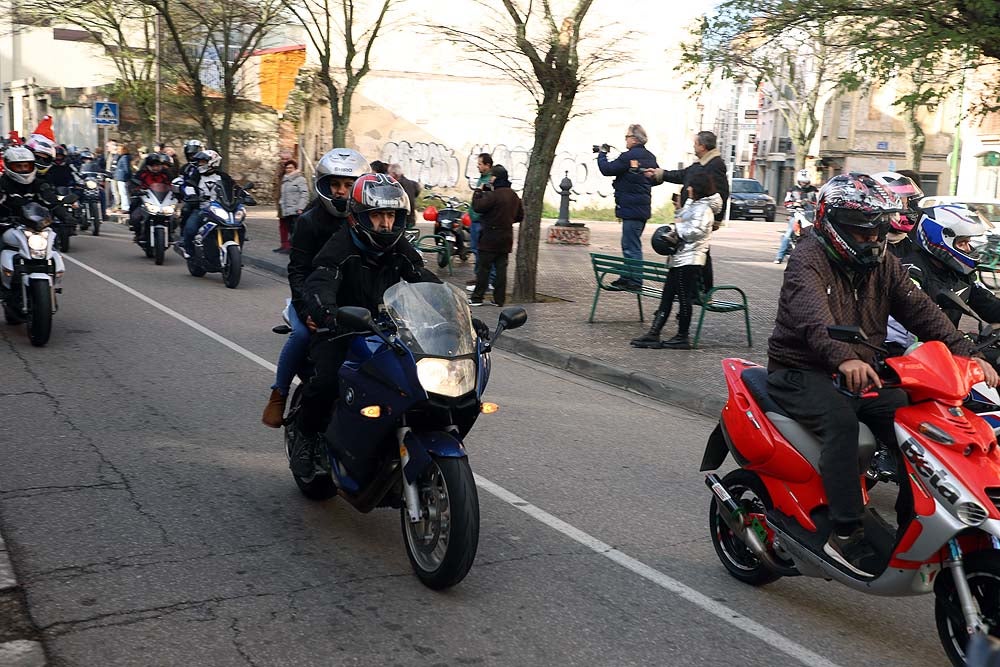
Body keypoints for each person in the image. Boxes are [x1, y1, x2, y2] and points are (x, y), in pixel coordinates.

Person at [766, 173, 998, 577]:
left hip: (865, 372)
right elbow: (812, 319)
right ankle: (846, 532)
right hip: (801, 369)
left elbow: (923, 312)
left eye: (878, 228)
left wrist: (969, 358)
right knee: (842, 425)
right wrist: (843, 358)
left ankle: (917, 522)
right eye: (861, 229)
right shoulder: (808, 258)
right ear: (832, 223)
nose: (872, 237)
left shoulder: (883, 264)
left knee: (920, 422)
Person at [289, 173, 441, 476]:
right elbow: (320, 281)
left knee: (414, 380)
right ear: (359, 217)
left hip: (386, 328)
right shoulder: (341, 246)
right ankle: (305, 438)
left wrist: (457, 314)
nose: (385, 223)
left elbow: (422, 278)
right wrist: (328, 314)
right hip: (343, 328)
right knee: (326, 382)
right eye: (377, 215)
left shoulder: (398, 247)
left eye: (391, 215)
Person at [260, 148, 369, 428]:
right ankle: (279, 393)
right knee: (299, 335)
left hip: (353, 297)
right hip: (311, 296)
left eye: (348, 185)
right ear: (323, 184)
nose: (341, 191)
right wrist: (308, 309)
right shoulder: (309, 221)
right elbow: (297, 270)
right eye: (335, 184)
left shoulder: (367, 218)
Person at [886, 205, 999, 357]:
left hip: (950, 347)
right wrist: (961, 342)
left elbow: (986, 303)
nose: (968, 249)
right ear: (939, 241)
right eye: (962, 243)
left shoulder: (961, 272)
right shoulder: (910, 272)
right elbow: (915, 323)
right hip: (913, 354)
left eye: (968, 242)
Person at [631, 171, 721, 349]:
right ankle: (654, 333)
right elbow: (682, 220)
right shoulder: (693, 204)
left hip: (691, 259)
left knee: (684, 298)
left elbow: (696, 232)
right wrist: (678, 215)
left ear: (698, 188)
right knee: (667, 296)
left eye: (691, 186)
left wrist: (677, 230)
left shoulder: (704, 209)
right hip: (679, 256)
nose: (688, 188)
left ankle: (682, 336)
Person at [645, 130, 729, 289]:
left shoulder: (715, 165)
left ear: (703, 146)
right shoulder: (701, 163)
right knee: (690, 254)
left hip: (700, 218)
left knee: (701, 255)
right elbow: (682, 175)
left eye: (695, 144)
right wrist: (659, 173)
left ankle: (702, 290)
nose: (693, 146)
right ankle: (692, 289)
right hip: (688, 215)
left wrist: (717, 220)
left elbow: (722, 192)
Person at [597, 124, 658, 289]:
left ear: (635, 139)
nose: (625, 139)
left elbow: (607, 169)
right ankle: (627, 276)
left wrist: (602, 154)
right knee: (629, 244)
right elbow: (656, 179)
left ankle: (635, 281)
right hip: (641, 208)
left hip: (631, 209)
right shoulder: (650, 156)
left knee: (632, 246)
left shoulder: (628, 156)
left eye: (627, 136)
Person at [469, 164, 523, 308]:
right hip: (506, 238)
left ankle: (477, 298)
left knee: (483, 268)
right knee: (501, 270)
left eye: (492, 176)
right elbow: (520, 215)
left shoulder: (494, 195)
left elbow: (477, 207)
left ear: (496, 178)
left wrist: (478, 192)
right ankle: (499, 299)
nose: (490, 179)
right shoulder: (513, 195)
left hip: (489, 238)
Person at [178, 149, 234, 257]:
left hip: (221, 208)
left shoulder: (223, 176)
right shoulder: (197, 175)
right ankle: (189, 250)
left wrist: (245, 195)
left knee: (235, 225)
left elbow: (234, 187)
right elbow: (190, 185)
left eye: (203, 161)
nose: (200, 164)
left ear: (213, 162)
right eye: (199, 162)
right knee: (190, 228)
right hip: (202, 208)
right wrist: (191, 195)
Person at [871, 171, 924, 259]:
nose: (905, 209)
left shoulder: (912, 243)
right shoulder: (870, 244)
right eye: (899, 203)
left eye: (905, 203)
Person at [774, 169, 819, 264]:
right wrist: (794, 203)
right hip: (796, 214)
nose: (804, 184)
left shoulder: (814, 190)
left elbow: (818, 202)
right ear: (798, 181)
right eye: (802, 182)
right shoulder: (792, 190)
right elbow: (786, 202)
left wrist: (809, 203)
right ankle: (779, 256)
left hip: (809, 214)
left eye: (806, 182)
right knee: (788, 234)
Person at [128, 152, 173, 241]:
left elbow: (174, 183)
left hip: (163, 200)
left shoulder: (166, 174)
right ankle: (138, 233)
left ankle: (170, 233)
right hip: (145, 199)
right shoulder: (142, 173)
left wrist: (177, 191)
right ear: (148, 166)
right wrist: (135, 190)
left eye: (157, 165)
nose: (155, 168)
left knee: (173, 217)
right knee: (135, 216)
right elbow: (133, 183)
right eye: (153, 166)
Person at [468, 152, 493, 285]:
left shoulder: (489, 181)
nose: (478, 166)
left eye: (480, 164)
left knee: (482, 251)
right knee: (476, 250)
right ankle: (479, 277)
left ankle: (486, 279)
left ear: (487, 165)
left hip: (480, 221)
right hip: (475, 219)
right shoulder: (482, 178)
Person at [275, 160, 308, 254]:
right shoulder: (285, 180)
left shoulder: (300, 179)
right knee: (290, 230)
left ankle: (299, 250)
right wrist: (281, 205)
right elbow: (283, 196)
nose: (288, 170)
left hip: (296, 210)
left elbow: (304, 194)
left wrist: (301, 207)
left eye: (291, 168)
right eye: (287, 168)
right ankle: (292, 249)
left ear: (295, 168)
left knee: (297, 231)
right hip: (287, 211)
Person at [387, 162, 421, 228]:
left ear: (394, 174)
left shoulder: (395, 185)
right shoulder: (413, 184)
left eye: (389, 173)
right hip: (411, 218)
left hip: (399, 220)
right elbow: (417, 193)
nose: (388, 175)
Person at [79, 150, 109, 221]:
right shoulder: (77, 166)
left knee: (102, 193)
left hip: (92, 185)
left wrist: (106, 174)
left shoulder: (95, 166)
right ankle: (78, 212)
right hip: (82, 185)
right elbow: (74, 173)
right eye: (85, 159)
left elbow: (101, 172)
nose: (87, 160)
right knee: (77, 194)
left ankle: (103, 213)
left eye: (89, 159)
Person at [113, 143, 133, 214]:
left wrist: (128, 177)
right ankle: (125, 206)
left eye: (119, 149)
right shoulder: (123, 157)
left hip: (122, 177)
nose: (118, 150)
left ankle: (126, 207)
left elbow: (126, 168)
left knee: (123, 193)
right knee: (123, 193)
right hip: (121, 177)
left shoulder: (124, 157)